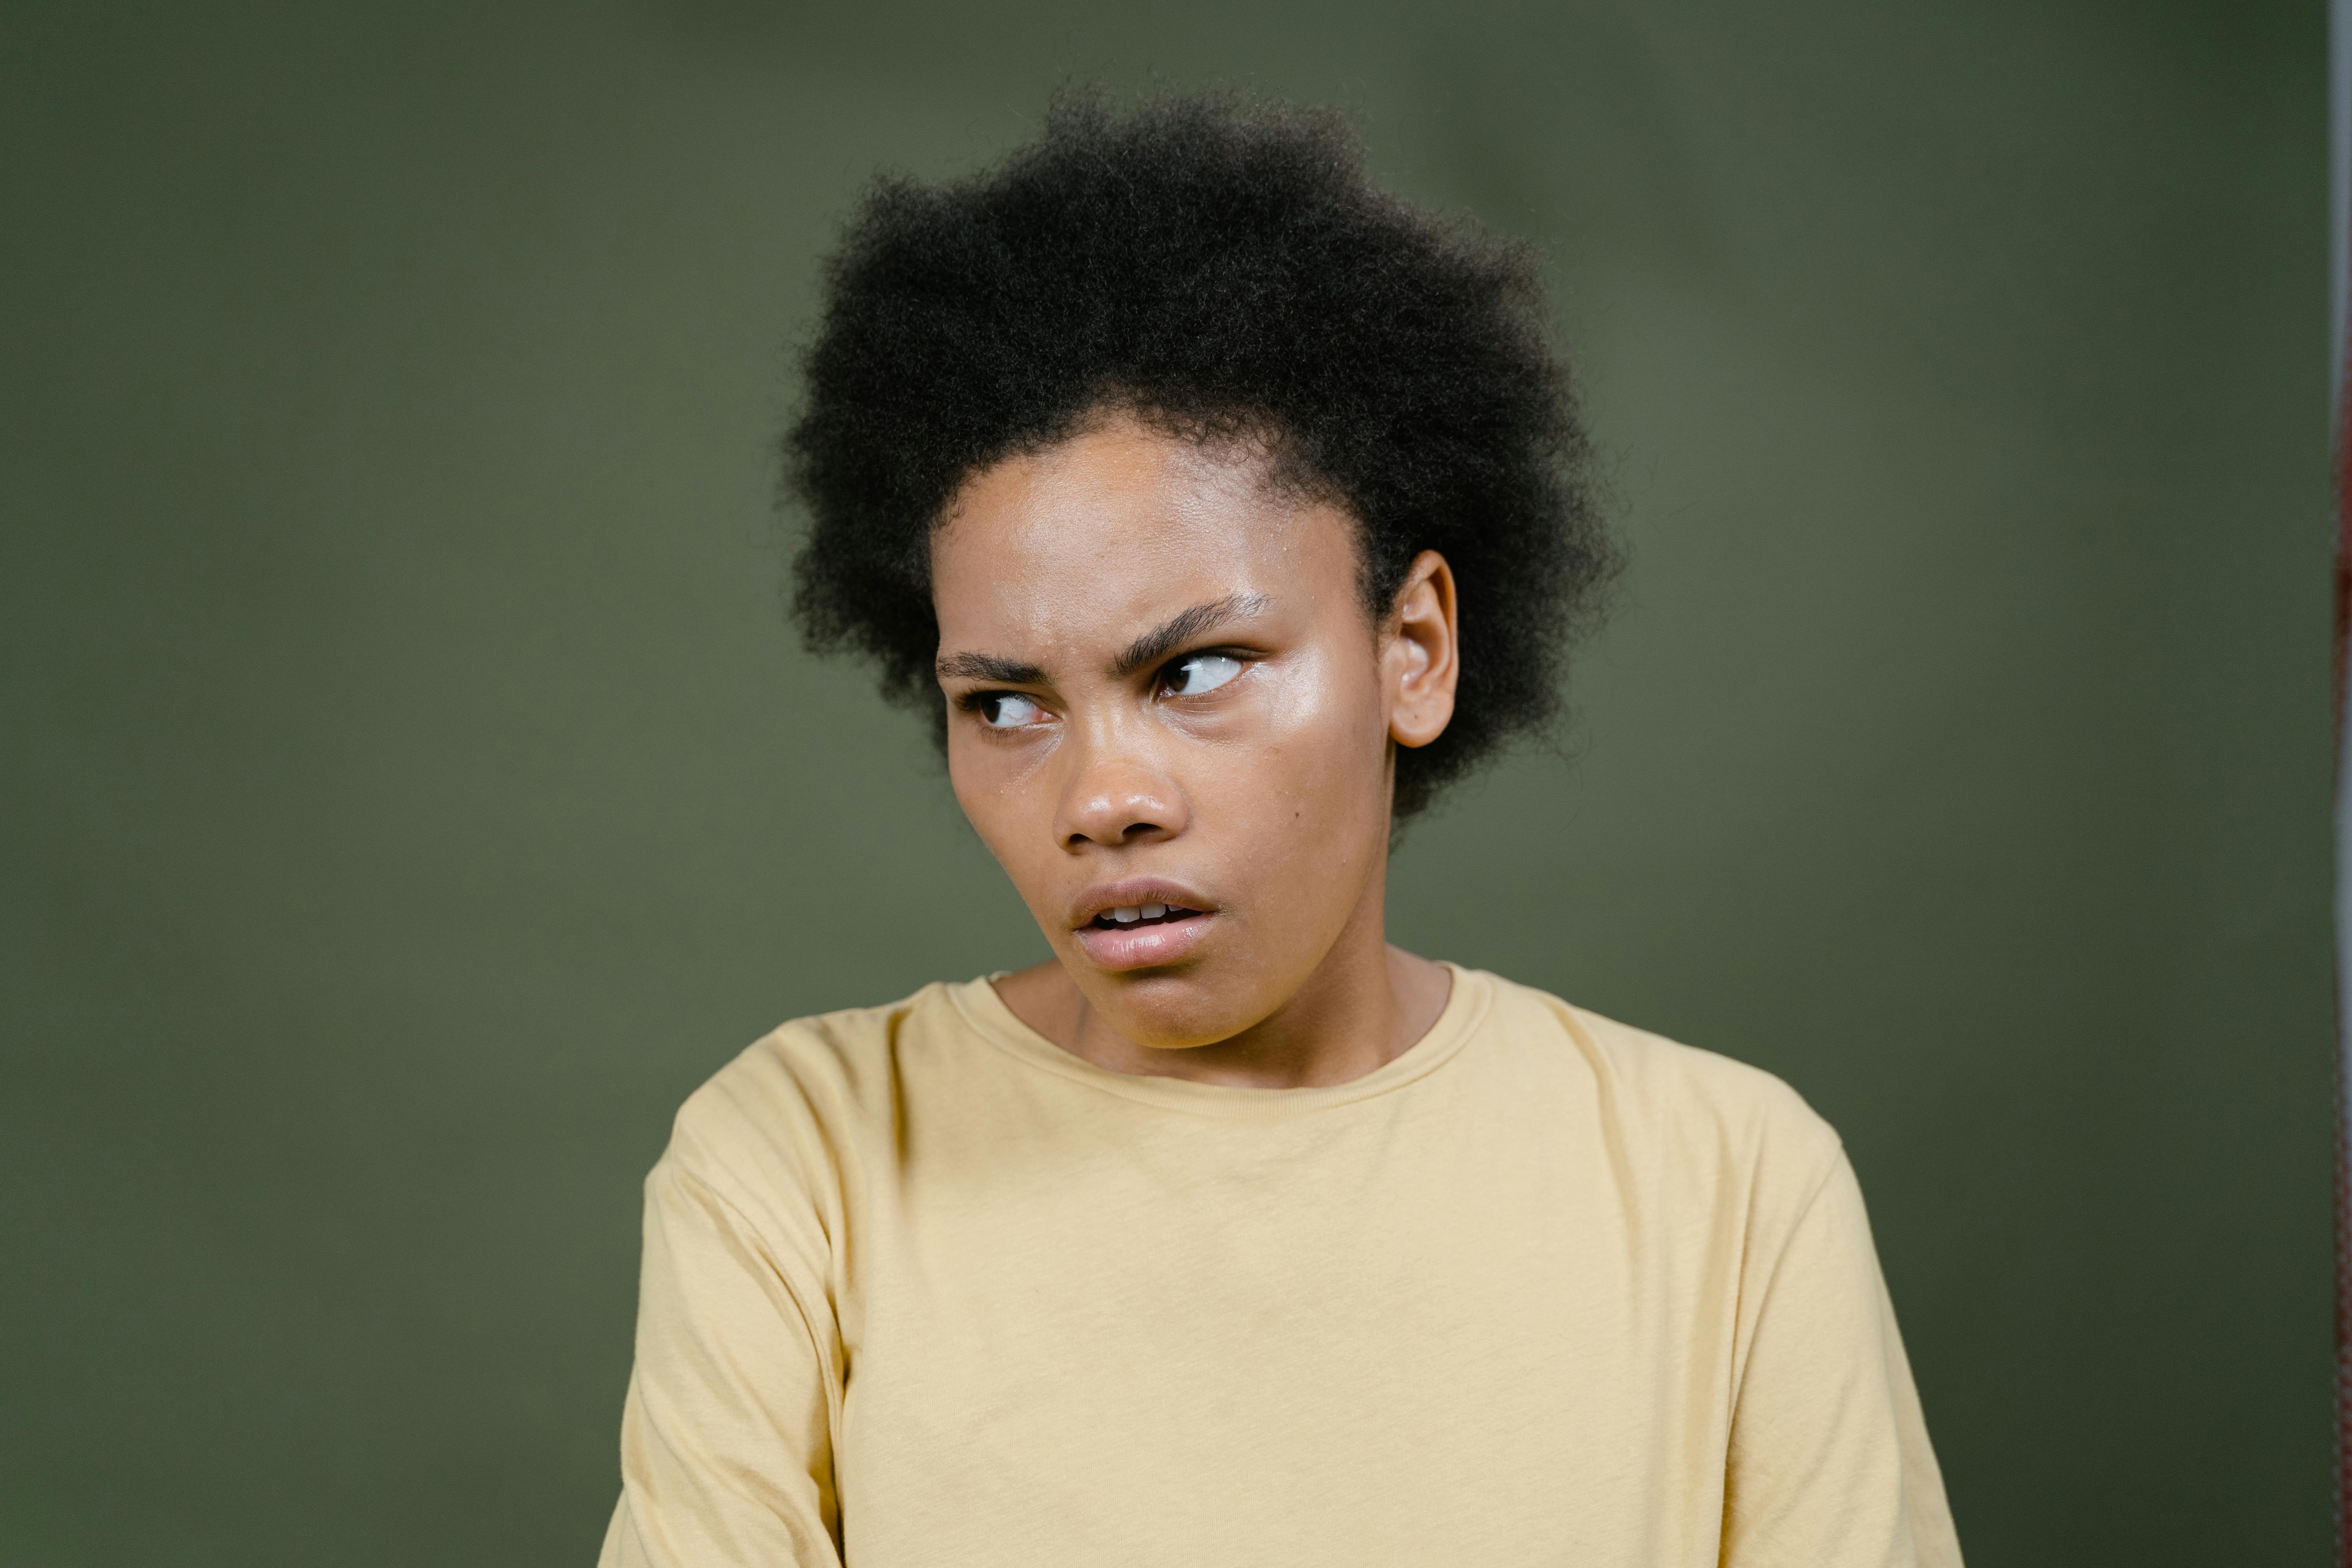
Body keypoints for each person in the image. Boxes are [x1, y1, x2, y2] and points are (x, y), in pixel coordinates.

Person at [596, 94, 1962, 1568]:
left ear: (1415, 648)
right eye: (1006, 704)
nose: (1101, 799)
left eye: (1194, 672)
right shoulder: (801, 1166)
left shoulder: (1732, 1189)